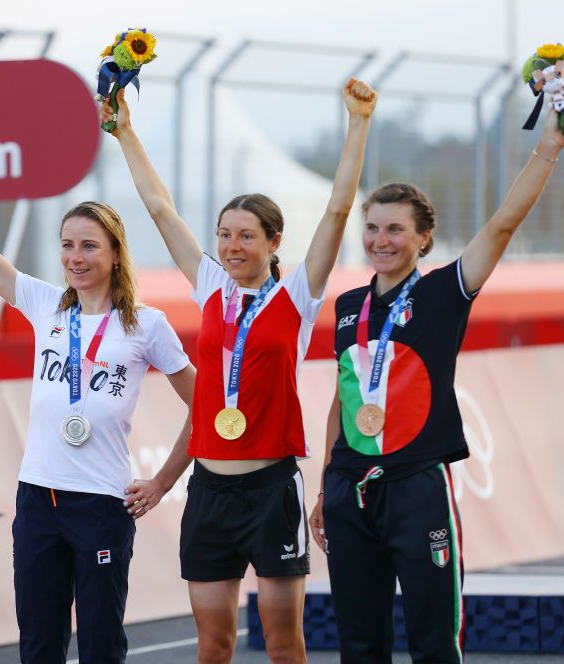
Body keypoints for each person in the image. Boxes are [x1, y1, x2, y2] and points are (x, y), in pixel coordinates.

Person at [0, 127, 196, 664]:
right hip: (38, 501)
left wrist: (164, 480)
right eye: (67, 245)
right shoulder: (46, 304)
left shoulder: (147, 326)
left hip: (101, 502)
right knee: (39, 644)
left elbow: (207, 404)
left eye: (89, 246)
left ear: (117, 254)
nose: (75, 258)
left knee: (101, 643)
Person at [105, 78, 378, 663]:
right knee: (214, 646)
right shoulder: (210, 285)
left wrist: (358, 123)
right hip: (208, 491)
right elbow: (159, 207)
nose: (232, 247)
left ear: (273, 242)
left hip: (270, 489)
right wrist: (125, 129)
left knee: (284, 645)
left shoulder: (298, 298)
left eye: (247, 237)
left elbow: (336, 209)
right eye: (225, 235)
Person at [308, 108, 564, 663]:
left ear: (424, 238)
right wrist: (326, 486)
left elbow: (504, 223)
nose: (379, 240)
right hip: (349, 489)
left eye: (394, 229)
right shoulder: (347, 307)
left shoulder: (443, 294)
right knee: (359, 646)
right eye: (372, 227)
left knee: (434, 644)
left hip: (417, 489)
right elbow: (346, 400)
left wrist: (550, 146)